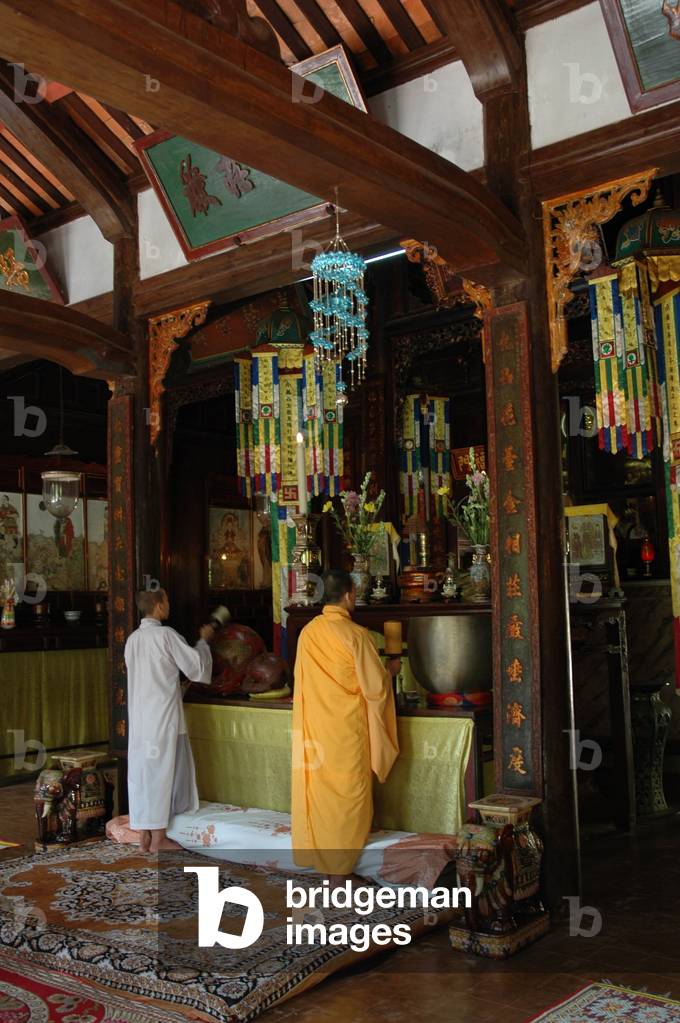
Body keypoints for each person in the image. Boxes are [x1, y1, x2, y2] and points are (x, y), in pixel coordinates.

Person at [291, 569, 401, 883]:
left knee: (323, 795)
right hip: (345, 730)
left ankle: (327, 865)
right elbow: (375, 689)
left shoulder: (308, 633)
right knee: (348, 797)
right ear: (350, 594)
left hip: (314, 728)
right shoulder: (355, 635)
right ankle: (338, 873)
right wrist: (391, 671)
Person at [124, 588, 214, 853]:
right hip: (162, 715)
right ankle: (159, 838)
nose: (169, 606)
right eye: (167, 601)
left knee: (142, 774)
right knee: (161, 772)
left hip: (141, 717)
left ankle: (145, 834)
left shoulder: (133, 640)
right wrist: (204, 641)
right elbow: (196, 667)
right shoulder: (165, 635)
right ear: (159, 606)